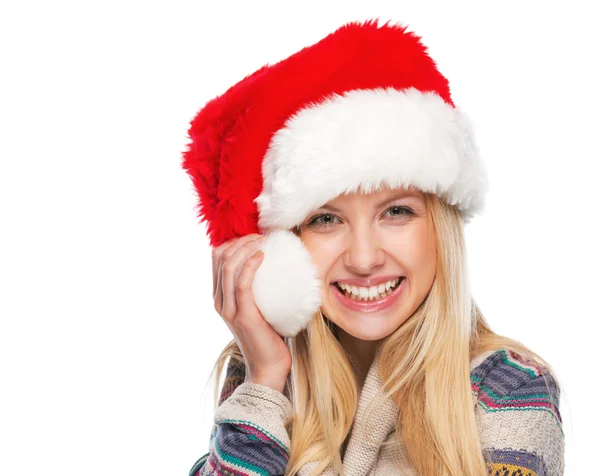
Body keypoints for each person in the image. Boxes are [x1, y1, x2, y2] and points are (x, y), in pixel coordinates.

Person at [181, 20, 564, 476]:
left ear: (440, 228)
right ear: (285, 252)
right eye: (325, 219)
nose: (364, 259)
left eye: (396, 212)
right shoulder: (266, 376)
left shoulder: (510, 391)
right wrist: (265, 380)